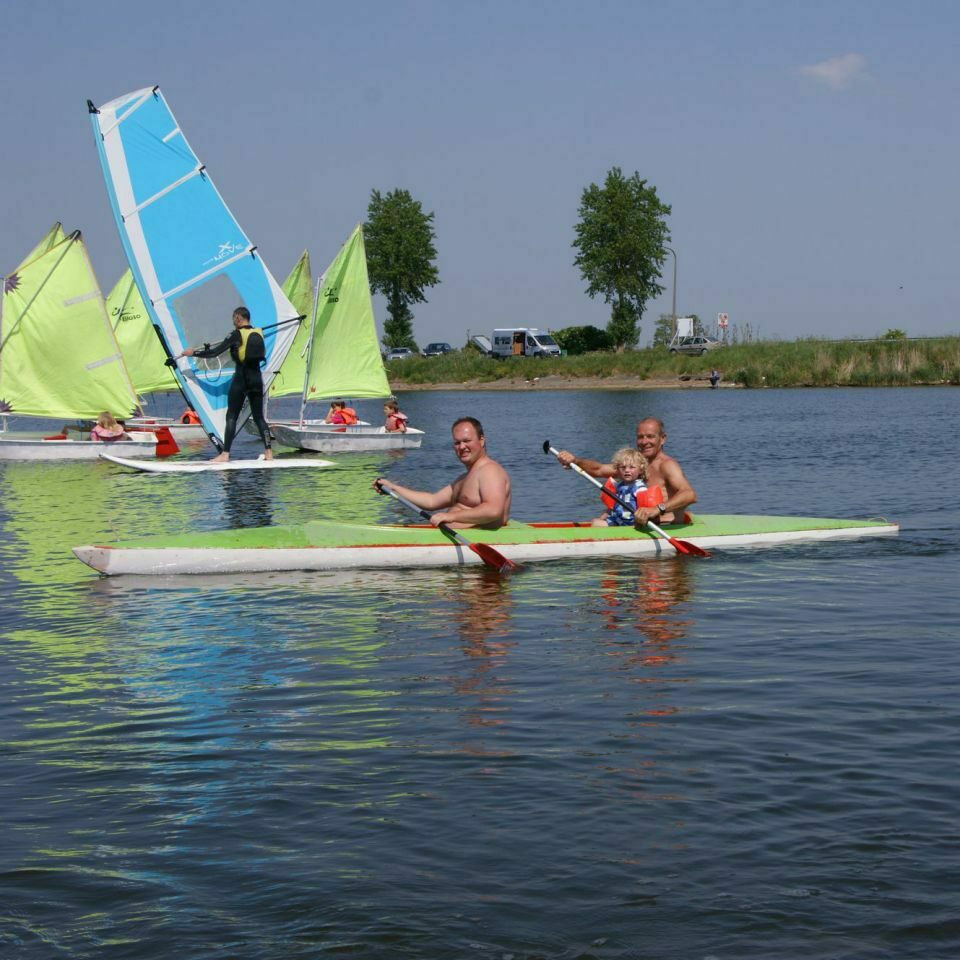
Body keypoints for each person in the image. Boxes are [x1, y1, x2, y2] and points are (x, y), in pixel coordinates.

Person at [169, 306, 271, 462]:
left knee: (231, 417)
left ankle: (225, 454)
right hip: (257, 378)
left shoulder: (236, 334)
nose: (232, 322)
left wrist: (193, 353)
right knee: (259, 418)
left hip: (241, 378)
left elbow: (214, 353)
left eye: (233, 319)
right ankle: (269, 453)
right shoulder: (258, 332)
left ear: (238, 318)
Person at [374, 416, 511, 529]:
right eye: (457, 443)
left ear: (481, 441)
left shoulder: (490, 471)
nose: (462, 447)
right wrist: (393, 488)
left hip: (485, 541)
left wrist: (450, 516)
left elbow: (493, 510)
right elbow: (431, 501)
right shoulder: (464, 478)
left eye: (467, 441)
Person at [558, 417, 696, 525]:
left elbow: (689, 495)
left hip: (664, 526)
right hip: (633, 525)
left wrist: (656, 510)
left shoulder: (667, 465)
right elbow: (598, 469)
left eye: (650, 436)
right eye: (640, 437)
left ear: (662, 439)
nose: (644, 441)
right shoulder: (632, 464)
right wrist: (575, 461)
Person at [590, 447, 656, 527]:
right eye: (623, 467)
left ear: (640, 470)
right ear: (617, 469)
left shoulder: (640, 489)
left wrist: (640, 523)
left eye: (632, 467)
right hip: (617, 520)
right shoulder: (619, 486)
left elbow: (645, 510)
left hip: (632, 524)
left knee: (596, 524)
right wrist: (602, 517)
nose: (627, 470)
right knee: (595, 522)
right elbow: (612, 507)